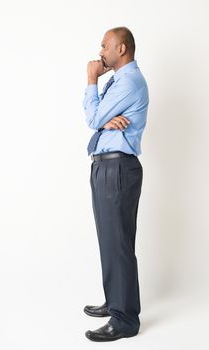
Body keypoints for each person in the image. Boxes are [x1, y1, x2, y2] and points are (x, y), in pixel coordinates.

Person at [82, 26, 149, 342]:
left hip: (118, 168)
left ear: (122, 49)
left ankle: (125, 320)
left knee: (118, 241)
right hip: (105, 168)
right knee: (109, 240)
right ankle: (116, 301)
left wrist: (91, 82)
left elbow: (92, 119)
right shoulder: (117, 82)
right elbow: (96, 119)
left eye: (105, 45)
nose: (100, 52)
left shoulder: (129, 82)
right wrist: (105, 119)